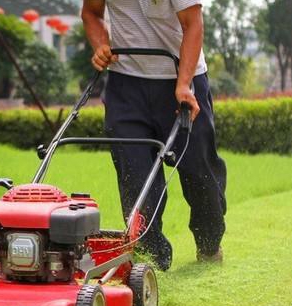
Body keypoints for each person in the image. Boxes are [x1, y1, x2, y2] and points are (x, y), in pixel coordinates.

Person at [81, 0, 227, 270]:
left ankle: (209, 244)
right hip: (126, 83)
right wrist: (100, 43)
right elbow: (91, 13)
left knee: (199, 172)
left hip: (180, 75)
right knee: (135, 176)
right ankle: (151, 262)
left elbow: (193, 24)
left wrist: (184, 84)